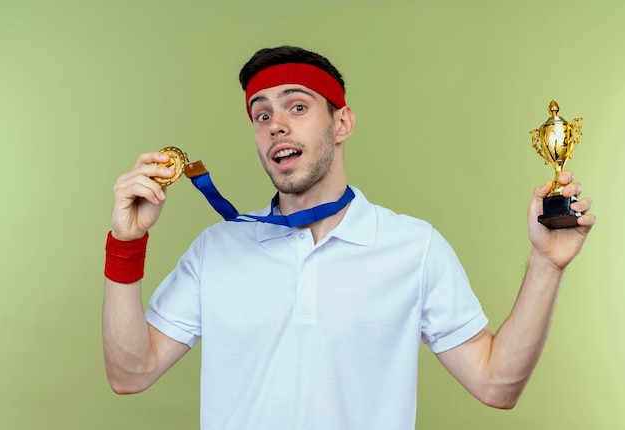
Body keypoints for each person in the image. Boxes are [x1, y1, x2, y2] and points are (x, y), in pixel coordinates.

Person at [102, 46, 595, 429]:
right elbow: (130, 374)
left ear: (342, 123)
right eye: (262, 114)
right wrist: (125, 243)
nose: (276, 126)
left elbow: (496, 385)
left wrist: (547, 264)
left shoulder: (414, 248)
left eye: (297, 106)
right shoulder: (217, 249)